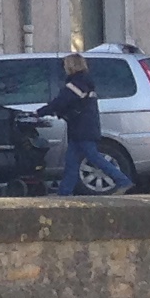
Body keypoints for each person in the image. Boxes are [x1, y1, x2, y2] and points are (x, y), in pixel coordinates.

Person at [49, 52, 111, 195]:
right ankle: (64, 193)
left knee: (94, 157)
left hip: (82, 129)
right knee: (71, 163)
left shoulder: (77, 84)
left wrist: (41, 111)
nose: (64, 67)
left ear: (71, 66)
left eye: (66, 64)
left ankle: (123, 180)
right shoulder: (84, 81)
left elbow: (61, 102)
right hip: (82, 128)